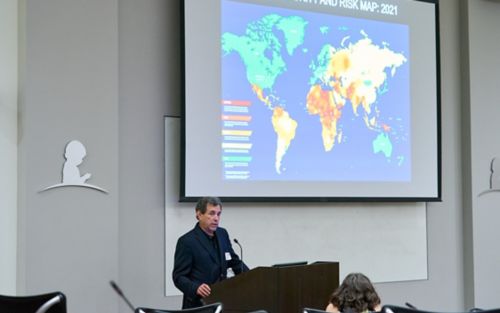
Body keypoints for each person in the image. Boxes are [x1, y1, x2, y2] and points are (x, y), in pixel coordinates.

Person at [172, 196, 249, 309]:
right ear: (199, 214)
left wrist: (252, 278)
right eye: (212, 213)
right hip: (199, 304)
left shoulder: (222, 234)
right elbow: (178, 277)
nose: (216, 218)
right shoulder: (187, 241)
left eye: (218, 214)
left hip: (222, 301)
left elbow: (234, 262)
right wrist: (195, 287)